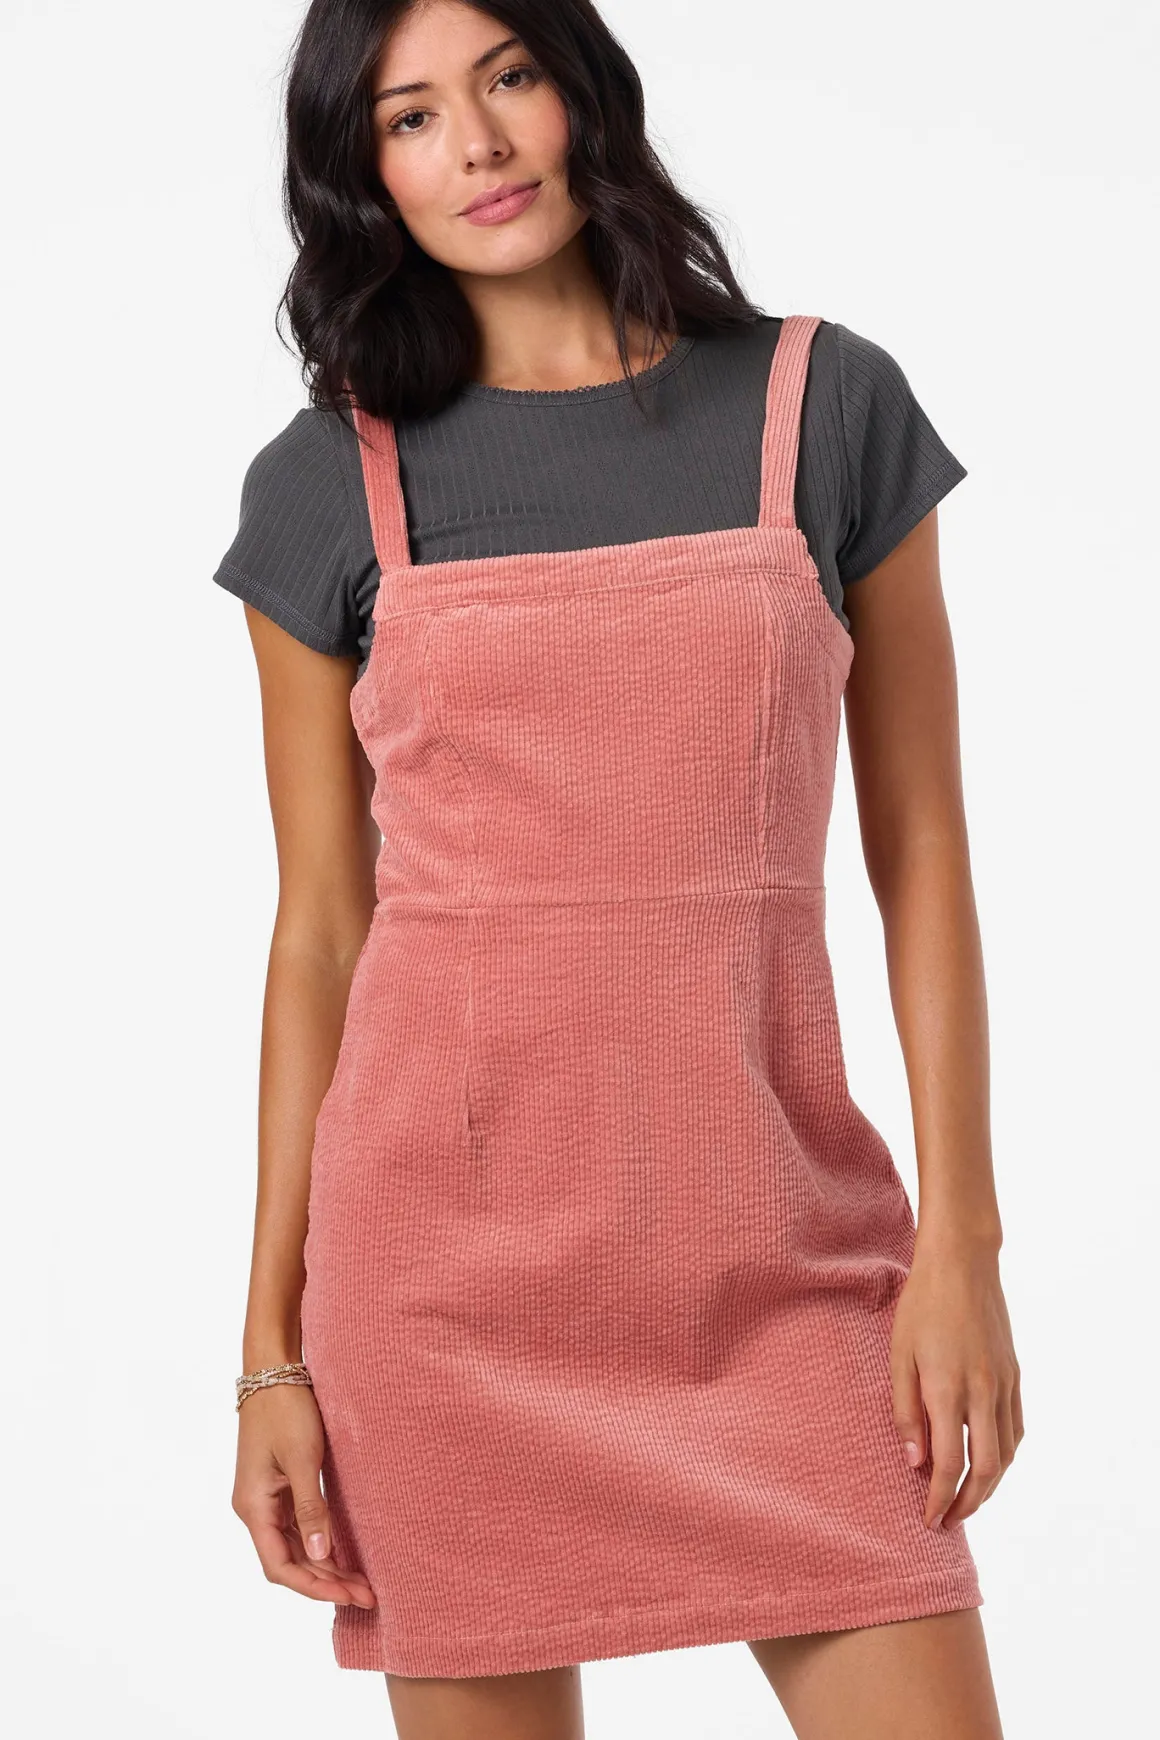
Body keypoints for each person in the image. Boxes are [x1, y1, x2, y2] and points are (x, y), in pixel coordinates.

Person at [217, 2, 1022, 1735]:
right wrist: (271, 1349)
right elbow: (322, 935)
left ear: (580, 91)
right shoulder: (328, 483)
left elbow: (925, 847)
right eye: (409, 117)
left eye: (507, 79)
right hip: (442, 1296)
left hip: (786, 1264)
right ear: (364, 174)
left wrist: (961, 1241)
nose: (478, 146)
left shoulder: (824, 403)